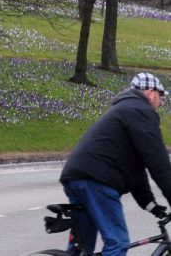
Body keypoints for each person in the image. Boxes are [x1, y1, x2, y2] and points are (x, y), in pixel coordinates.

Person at [60, 72, 170, 256]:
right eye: (160, 96)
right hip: (97, 180)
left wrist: (152, 205)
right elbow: (159, 164)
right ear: (151, 92)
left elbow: (137, 169)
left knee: (82, 248)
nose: (160, 103)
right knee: (117, 243)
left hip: (77, 177)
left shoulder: (125, 109)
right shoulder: (141, 111)